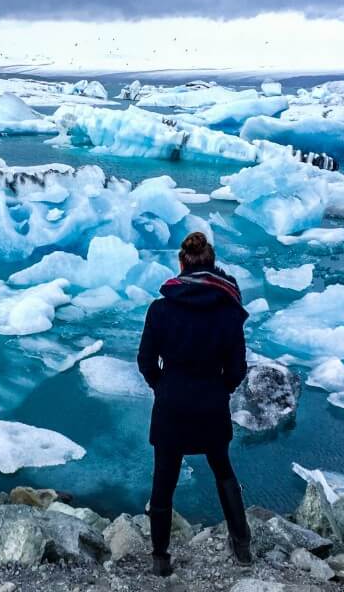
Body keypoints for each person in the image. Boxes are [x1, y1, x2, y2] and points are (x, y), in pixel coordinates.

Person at [137, 231, 252, 577]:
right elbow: (237, 369)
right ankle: (242, 545)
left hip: (171, 405)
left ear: (181, 264)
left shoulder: (161, 309)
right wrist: (219, 390)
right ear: (213, 265)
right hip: (211, 405)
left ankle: (160, 558)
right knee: (223, 471)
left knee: (164, 481)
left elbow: (145, 361)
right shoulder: (229, 312)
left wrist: (164, 386)